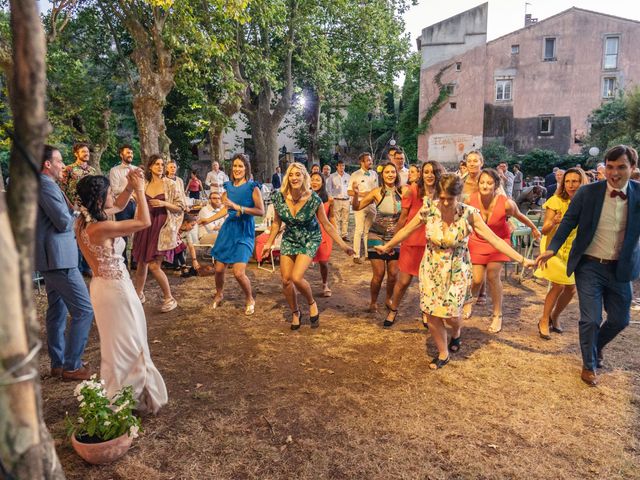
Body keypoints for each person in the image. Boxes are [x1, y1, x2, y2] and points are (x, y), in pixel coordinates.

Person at [375, 174, 535, 369]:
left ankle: (456, 333)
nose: (444, 202)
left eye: (449, 199)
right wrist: (388, 245)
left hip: (456, 271)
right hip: (431, 270)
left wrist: (522, 259)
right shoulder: (430, 209)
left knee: (452, 316)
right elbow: (407, 230)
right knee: (432, 313)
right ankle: (443, 353)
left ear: (458, 196)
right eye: (441, 197)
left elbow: (495, 239)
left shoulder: (469, 214)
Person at [537, 145, 640, 386]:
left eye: (621, 167)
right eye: (611, 167)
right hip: (589, 266)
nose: (615, 173)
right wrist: (552, 248)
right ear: (605, 167)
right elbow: (568, 221)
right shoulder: (588, 193)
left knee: (620, 319)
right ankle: (589, 364)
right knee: (590, 319)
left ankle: (596, 345)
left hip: (620, 268)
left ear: (632, 168)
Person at [75, 173, 167, 413]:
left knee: (117, 343)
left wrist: (128, 187)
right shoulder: (102, 227)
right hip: (116, 291)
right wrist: (139, 190)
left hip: (101, 287)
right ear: (98, 199)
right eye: (109, 192)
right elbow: (143, 222)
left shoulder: (83, 222)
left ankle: (130, 392)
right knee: (130, 341)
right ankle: (125, 396)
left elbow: (118, 205)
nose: (113, 196)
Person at [262, 163, 353, 329]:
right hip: (290, 238)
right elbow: (276, 223)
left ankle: (311, 303)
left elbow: (326, 225)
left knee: (296, 277)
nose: (294, 178)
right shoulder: (278, 197)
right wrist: (268, 243)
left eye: (298, 174)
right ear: (287, 177)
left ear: (304, 177)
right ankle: (295, 312)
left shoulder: (314, 199)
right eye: (291, 174)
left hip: (310, 238)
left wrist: (343, 245)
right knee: (285, 281)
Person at [36, 145, 94, 381]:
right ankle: (72, 365)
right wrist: (79, 213)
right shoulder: (45, 184)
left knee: (57, 311)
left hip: (52, 258)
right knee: (84, 310)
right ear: (48, 164)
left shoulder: (42, 184)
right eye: (59, 161)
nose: (63, 165)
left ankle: (59, 363)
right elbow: (62, 221)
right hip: (58, 258)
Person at [465, 169, 541, 333]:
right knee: (477, 280)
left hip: (499, 241)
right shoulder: (470, 200)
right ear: (478, 184)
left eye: (489, 183)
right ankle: (468, 302)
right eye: (482, 182)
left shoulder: (506, 203)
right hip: (478, 240)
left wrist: (534, 228)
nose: (485, 186)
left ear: (496, 185)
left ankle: (497, 314)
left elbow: (520, 215)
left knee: (492, 275)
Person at [199, 153, 265, 315]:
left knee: (238, 272)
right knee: (219, 269)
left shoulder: (253, 187)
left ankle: (249, 298)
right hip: (228, 231)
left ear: (246, 168)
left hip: (244, 231)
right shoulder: (227, 187)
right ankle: (219, 293)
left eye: (240, 166)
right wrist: (208, 220)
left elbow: (260, 211)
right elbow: (225, 209)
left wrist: (239, 208)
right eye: (235, 166)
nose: (237, 169)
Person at [385, 160, 444, 327]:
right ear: (421, 174)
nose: (429, 175)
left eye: (433, 172)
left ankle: (426, 312)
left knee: (427, 283)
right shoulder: (412, 191)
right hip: (411, 241)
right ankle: (393, 309)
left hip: (432, 244)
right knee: (403, 281)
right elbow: (403, 218)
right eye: (426, 172)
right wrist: (393, 242)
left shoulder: (442, 193)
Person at [534, 168, 589, 339]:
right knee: (558, 285)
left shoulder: (587, 203)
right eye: (568, 181)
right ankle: (543, 320)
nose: (571, 185)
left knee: (571, 289)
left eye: (575, 181)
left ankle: (555, 316)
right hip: (553, 248)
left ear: (583, 182)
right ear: (563, 184)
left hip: (573, 250)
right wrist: (555, 222)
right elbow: (544, 230)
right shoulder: (556, 201)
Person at [132, 154, 185, 312]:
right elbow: (137, 200)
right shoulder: (145, 184)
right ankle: (139, 294)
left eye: (162, 164)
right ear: (150, 167)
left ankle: (169, 298)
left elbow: (181, 206)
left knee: (155, 265)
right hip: (145, 225)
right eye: (156, 164)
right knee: (141, 263)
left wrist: (163, 203)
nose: (160, 167)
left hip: (162, 227)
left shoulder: (171, 184)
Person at [352, 162, 404, 313]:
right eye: (387, 172)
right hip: (377, 235)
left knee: (393, 274)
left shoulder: (403, 191)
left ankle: (388, 298)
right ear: (382, 175)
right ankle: (373, 301)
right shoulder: (376, 192)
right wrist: (355, 194)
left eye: (393, 172)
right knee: (379, 274)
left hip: (395, 237)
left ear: (396, 174)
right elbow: (356, 207)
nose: (390, 174)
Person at [61, 142, 96, 276]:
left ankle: (88, 266)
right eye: (83, 152)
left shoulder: (92, 171)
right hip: (74, 207)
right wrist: (69, 204)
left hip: (89, 207)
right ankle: (77, 267)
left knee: (89, 236)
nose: (86, 154)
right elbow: (62, 189)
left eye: (87, 151)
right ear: (76, 154)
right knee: (76, 236)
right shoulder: (69, 169)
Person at [109, 144, 137, 268]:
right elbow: (115, 190)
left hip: (136, 204)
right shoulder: (114, 170)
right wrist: (130, 186)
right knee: (123, 234)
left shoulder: (136, 169)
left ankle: (136, 260)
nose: (130, 155)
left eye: (131, 153)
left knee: (137, 232)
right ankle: (123, 261)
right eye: (127, 153)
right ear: (121, 155)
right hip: (122, 205)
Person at [349, 152, 378, 263]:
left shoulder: (374, 174)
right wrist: (363, 194)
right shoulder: (355, 175)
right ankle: (356, 255)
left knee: (369, 231)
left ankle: (368, 254)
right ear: (362, 162)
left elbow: (377, 190)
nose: (370, 162)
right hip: (360, 205)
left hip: (372, 205)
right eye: (368, 160)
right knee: (359, 230)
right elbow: (349, 191)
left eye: (370, 160)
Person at [310, 172, 335, 297]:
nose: (314, 182)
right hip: (308, 231)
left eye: (317, 180)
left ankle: (325, 284)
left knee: (323, 261)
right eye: (312, 179)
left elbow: (332, 217)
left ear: (322, 183)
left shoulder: (329, 199)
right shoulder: (305, 197)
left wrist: (334, 233)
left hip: (324, 231)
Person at [326, 159, 351, 241]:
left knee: (345, 218)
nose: (341, 167)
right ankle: (337, 235)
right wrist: (330, 198)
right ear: (337, 166)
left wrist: (351, 199)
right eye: (340, 166)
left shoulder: (348, 176)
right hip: (336, 199)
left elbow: (350, 188)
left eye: (343, 165)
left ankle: (344, 235)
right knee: (336, 218)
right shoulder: (332, 176)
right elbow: (329, 188)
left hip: (346, 199)